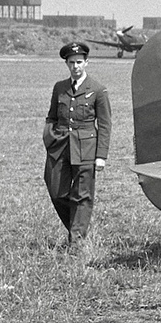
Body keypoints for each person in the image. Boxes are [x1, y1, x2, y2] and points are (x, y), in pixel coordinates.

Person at [43, 42, 111, 248]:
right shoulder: (59, 88)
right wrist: (49, 138)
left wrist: (101, 156)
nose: (76, 67)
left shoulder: (97, 89)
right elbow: (52, 116)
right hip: (61, 147)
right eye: (71, 63)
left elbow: (105, 124)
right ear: (66, 64)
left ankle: (77, 242)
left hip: (87, 148)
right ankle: (77, 226)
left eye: (79, 62)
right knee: (56, 191)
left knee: (82, 195)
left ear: (87, 63)